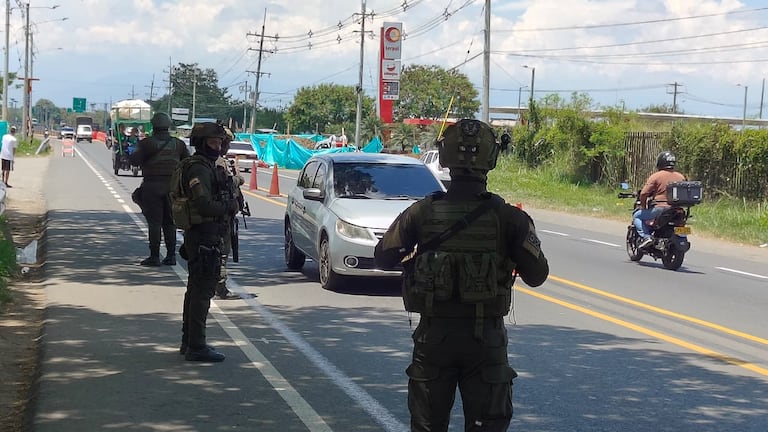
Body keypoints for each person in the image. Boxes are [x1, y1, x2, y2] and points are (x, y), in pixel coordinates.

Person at [374, 118, 549, 431]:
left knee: (427, 426)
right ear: (491, 159)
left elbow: (384, 257)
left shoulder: (423, 211)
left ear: (445, 157)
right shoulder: (509, 218)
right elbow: (537, 275)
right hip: (486, 342)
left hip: (433, 339)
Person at [177, 122, 240, 362]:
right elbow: (203, 204)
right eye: (213, 142)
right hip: (205, 234)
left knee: (196, 289)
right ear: (202, 143)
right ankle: (196, 345)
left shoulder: (206, 166)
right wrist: (229, 206)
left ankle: (189, 341)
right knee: (202, 292)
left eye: (220, 142)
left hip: (205, 233)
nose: (218, 146)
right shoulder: (199, 169)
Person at [129, 112, 190, 266]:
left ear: (153, 126)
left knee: (154, 222)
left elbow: (134, 161)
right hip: (172, 188)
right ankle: (171, 256)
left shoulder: (147, 143)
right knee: (169, 222)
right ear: (168, 126)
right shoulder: (178, 144)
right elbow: (187, 162)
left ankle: (154, 256)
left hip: (152, 186)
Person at [213, 125, 245, 300]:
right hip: (219, 215)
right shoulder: (217, 162)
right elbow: (225, 184)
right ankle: (220, 288)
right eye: (225, 143)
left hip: (221, 213)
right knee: (221, 253)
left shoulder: (214, 160)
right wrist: (237, 179)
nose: (227, 146)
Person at [632, 150, 686, 249]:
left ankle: (646, 237)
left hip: (660, 209)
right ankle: (681, 237)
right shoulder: (681, 176)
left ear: (660, 162)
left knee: (637, 216)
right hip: (677, 210)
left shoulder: (656, 176)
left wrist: (643, 206)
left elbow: (644, 193)